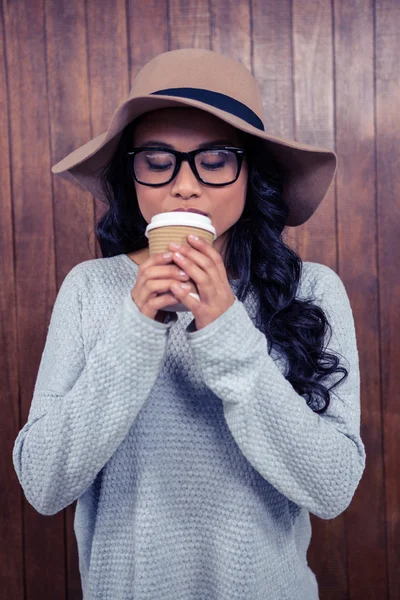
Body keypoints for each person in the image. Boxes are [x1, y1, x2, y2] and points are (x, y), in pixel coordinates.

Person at [12, 48, 366, 600]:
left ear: (252, 172)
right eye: (157, 161)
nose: (184, 186)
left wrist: (226, 330)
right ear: (131, 175)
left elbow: (333, 486)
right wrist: (135, 326)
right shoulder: (90, 289)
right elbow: (44, 483)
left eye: (216, 159)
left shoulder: (312, 291)